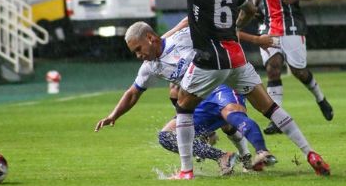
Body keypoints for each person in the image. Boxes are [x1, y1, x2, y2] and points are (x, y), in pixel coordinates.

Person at [143, 0, 331, 179]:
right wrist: (232, 27)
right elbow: (250, 9)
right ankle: (310, 152)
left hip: (210, 59)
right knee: (270, 107)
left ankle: (186, 171)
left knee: (182, 105)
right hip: (237, 57)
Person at [94, 22, 265, 175]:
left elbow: (196, 21)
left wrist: (255, 40)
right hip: (200, 104)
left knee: (230, 117)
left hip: (221, 86)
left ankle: (254, 154)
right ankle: (223, 157)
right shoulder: (149, 67)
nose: (139, 55)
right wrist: (113, 115)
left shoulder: (181, 38)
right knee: (166, 136)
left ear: (150, 37)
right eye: (134, 53)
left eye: (139, 49)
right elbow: (133, 93)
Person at [245, 0, 333, 135]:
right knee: (272, 68)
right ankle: (277, 118)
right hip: (268, 27)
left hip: (292, 26)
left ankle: (320, 98)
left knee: (298, 71)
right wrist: (255, 7)